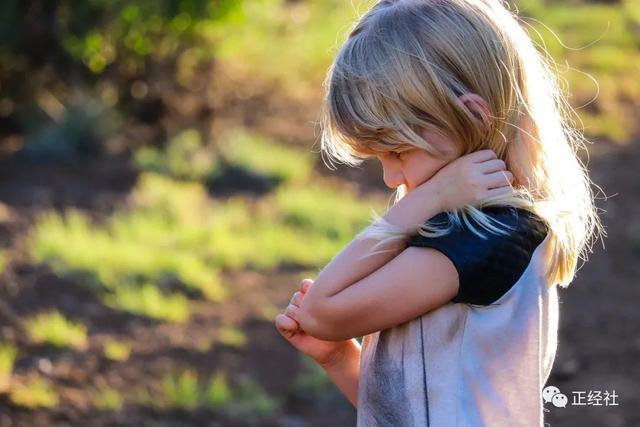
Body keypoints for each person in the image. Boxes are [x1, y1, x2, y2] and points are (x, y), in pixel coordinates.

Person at [275, 0, 604, 425]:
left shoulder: (484, 239)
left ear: (472, 116)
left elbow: (321, 311)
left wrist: (422, 202)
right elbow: (409, 411)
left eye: (397, 151)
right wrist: (340, 358)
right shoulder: (463, 230)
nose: (392, 178)